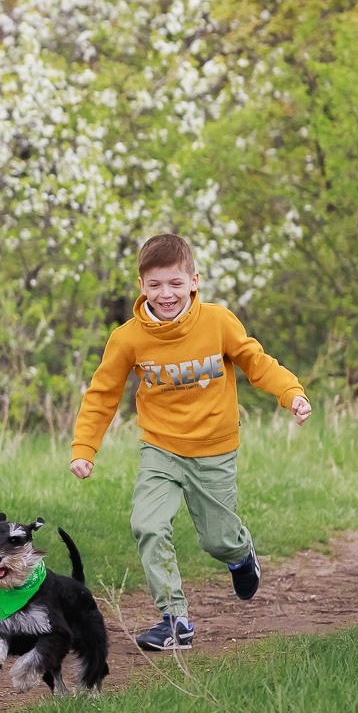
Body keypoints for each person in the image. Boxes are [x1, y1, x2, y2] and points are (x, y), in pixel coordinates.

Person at [68, 232, 312, 652]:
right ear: (141, 286)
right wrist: (84, 448)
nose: (166, 294)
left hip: (214, 450)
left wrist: (291, 393)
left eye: (175, 283)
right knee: (148, 524)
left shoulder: (218, 322)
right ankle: (175, 620)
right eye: (155, 284)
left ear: (194, 281)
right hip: (160, 449)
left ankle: (240, 553)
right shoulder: (127, 338)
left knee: (217, 540)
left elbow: (256, 362)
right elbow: (102, 394)